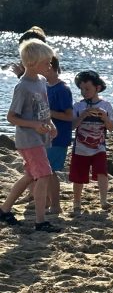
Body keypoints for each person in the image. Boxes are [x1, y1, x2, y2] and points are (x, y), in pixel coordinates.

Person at [0, 39, 61, 232]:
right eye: (46, 63)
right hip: (28, 140)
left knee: (29, 176)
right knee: (44, 175)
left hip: (40, 138)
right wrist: (34, 125)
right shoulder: (23, 86)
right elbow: (11, 117)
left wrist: (50, 124)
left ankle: (4, 209)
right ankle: (40, 221)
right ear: (32, 64)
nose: (50, 66)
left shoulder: (42, 82)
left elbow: (44, 109)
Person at [69, 70, 113, 212]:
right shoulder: (78, 106)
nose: (84, 92)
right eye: (81, 89)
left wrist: (105, 118)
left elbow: (112, 127)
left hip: (99, 147)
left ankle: (103, 200)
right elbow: (72, 126)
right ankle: (77, 202)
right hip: (80, 149)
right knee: (78, 177)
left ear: (98, 88)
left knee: (102, 172)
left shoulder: (106, 105)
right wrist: (82, 116)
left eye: (87, 89)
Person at [43, 55, 73, 214]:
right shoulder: (45, 85)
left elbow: (69, 116)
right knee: (44, 170)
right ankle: (47, 201)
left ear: (51, 67)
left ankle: (56, 205)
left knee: (50, 170)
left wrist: (50, 113)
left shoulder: (62, 89)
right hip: (46, 135)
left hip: (59, 136)